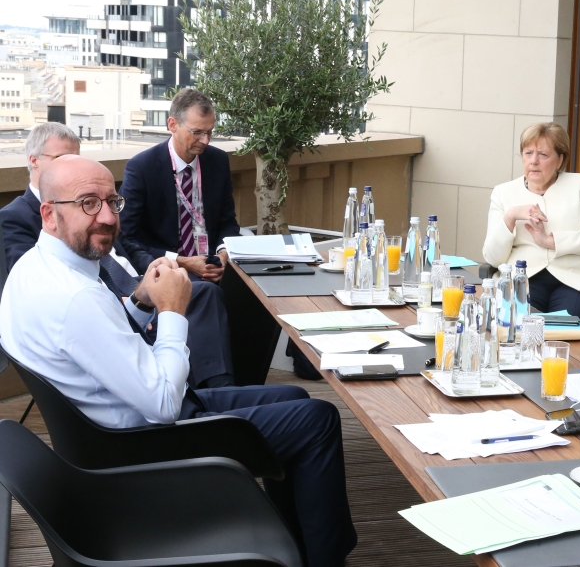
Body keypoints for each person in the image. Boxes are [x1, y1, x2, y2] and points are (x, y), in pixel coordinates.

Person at [0, 155, 357, 566]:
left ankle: (297, 543)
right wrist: (171, 311)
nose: (106, 217)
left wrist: (139, 301)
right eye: (86, 203)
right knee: (319, 420)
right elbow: (164, 404)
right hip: (144, 446)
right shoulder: (74, 297)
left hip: (108, 430)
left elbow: (96, 344)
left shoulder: (34, 269)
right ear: (48, 214)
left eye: (111, 202)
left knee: (294, 395)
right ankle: (325, 560)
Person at [0, 123, 234, 388]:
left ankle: (219, 389)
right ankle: (214, 400)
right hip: (103, 306)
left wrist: (161, 268)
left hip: (136, 286)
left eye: (76, 158)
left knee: (210, 293)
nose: (105, 216)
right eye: (61, 158)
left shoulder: (101, 207)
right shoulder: (15, 218)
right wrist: (123, 304)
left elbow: (129, 249)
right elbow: (42, 284)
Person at [482, 122, 580, 327]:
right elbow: (493, 257)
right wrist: (511, 216)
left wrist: (550, 241)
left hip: (577, 279)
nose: (534, 161)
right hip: (524, 278)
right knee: (516, 325)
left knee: (564, 329)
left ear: (560, 159)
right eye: (528, 153)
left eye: (543, 154)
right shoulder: (503, 192)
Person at [120, 88, 239, 279]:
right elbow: (126, 237)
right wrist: (181, 261)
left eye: (209, 132)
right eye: (197, 132)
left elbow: (228, 222)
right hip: (167, 270)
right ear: (172, 124)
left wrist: (223, 254)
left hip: (213, 267)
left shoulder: (218, 161)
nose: (205, 140)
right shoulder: (142, 167)